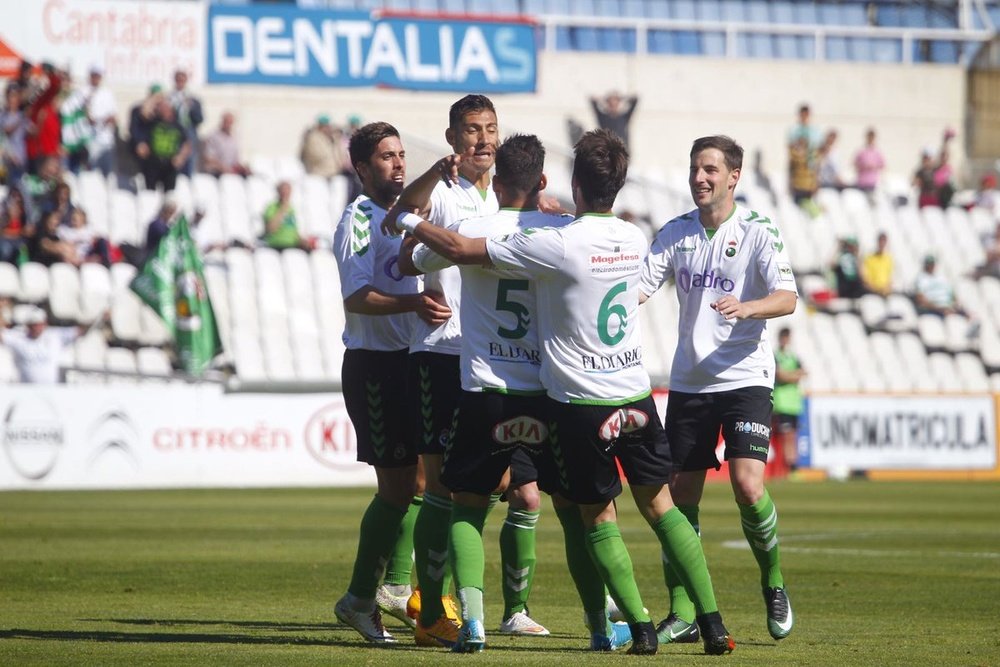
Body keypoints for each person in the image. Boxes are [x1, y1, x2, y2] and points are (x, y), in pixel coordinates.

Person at [394, 129, 735, 656]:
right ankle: (666, 623)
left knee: (478, 505)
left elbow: (418, 260)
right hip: (607, 394)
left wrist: (411, 221)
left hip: (532, 393)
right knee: (628, 509)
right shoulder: (622, 235)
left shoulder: (540, 238)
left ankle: (486, 624)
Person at [397, 133, 631, 653]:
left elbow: (405, 264)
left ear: (495, 182)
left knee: (468, 506)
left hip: (486, 389)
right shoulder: (563, 231)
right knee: (573, 511)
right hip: (549, 392)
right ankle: (598, 627)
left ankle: (474, 623)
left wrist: (411, 227)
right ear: (543, 182)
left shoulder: (471, 227)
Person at [385, 95, 550, 647]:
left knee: (519, 490)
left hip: (499, 365)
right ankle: (433, 613)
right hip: (439, 353)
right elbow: (405, 254)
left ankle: (508, 609)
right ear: (454, 138)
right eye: (472, 130)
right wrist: (428, 272)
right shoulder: (444, 195)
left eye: (490, 129)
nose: (483, 139)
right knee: (440, 489)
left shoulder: (506, 199)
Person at [640, 135, 798, 644]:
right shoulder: (675, 233)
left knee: (748, 486)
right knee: (678, 499)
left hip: (746, 377)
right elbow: (638, 288)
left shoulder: (757, 230)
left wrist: (749, 307)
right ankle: (683, 611)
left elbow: (788, 297)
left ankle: (772, 581)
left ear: (734, 176)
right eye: (694, 169)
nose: (699, 178)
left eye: (710, 169)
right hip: (690, 383)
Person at [331, 121, 452, 644]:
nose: (397, 163)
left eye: (401, 154)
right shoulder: (358, 219)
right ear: (362, 168)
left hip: (413, 361)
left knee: (423, 483)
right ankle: (359, 598)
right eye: (386, 156)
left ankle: (393, 590)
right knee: (399, 487)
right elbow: (357, 297)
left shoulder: (409, 216)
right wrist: (413, 302)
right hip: (375, 366)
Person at [0, 305, 82, 383]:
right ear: (27, 326)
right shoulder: (19, 338)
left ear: (44, 324)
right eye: (33, 325)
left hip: (53, 390)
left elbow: (82, 331)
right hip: (26, 391)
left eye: (39, 324)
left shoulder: (55, 335)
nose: (36, 327)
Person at [772, 328, 806, 474]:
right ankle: (786, 467)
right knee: (785, 437)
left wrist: (788, 375)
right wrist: (792, 376)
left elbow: (802, 373)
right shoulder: (776, 355)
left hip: (793, 403)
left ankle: (792, 467)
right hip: (781, 402)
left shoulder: (793, 356)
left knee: (792, 436)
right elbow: (780, 375)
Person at [142, 99, 190, 192]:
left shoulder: (177, 125)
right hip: (154, 161)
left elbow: (186, 143)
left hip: (170, 163)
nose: (163, 110)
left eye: (166, 108)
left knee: (169, 193)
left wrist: (181, 157)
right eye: (161, 108)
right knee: (150, 191)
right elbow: (144, 112)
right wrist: (157, 97)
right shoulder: (153, 122)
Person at [82, 65, 117, 177]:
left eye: (98, 76)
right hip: (89, 139)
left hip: (106, 140)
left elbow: (113, 116)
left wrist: (104, 121)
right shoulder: (83, 92)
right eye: (94, 75)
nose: (96, 78)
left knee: (107, 172)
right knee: (90, 172)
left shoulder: (107, 93)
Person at [168, 69, 203, 177]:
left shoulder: (192, 99)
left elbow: (199, 119)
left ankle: (188, 178)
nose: (180, 83)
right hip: (174, 131)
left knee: (190, 158)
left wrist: (191, 107)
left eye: (182, 80)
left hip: (188, 131)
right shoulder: (169, 98)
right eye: (178, 80)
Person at [262, 181, 310, 250]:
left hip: (292, 245)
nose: (286, 194)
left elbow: (292, 229)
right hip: (277, 245)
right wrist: (282, 210)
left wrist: (302, 241)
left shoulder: (291, 208)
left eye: (288, 191)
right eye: (283, 191)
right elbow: (270, 229)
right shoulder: (272, 207)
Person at [201, 111, 250, 177]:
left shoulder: (234, 137)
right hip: (216, 172)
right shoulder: (213, 136)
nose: (229, 125)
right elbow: (208, 158)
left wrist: (242, 167)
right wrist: (222, 167)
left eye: (230, 123)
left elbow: (236, 160)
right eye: (227, 122)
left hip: (230, 172)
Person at [1, 83, 29, 185]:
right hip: (7, 161)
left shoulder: (22, 115)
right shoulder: (3, 115)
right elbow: (6, 132)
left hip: (22, 160)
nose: (12, 99)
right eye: (10, 96)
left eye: (14, 96)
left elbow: (32, 132)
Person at [853, 127, 884, 197]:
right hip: (861, 182)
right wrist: (863, 166)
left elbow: (882, 165)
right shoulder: (861, 150)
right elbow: (854, 163)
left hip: (872, 182)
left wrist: (873, 166)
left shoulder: (877, 152)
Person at [862, 232, 894, 296]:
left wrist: (885, 289)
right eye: (880, 241)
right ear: (877, 242)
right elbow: (866, 278)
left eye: (884, 241)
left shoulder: (889, 259)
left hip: (884, 292)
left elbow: (889, 279)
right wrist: (876, 289)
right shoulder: (869, 258)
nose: (882, 243)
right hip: (872, 292)